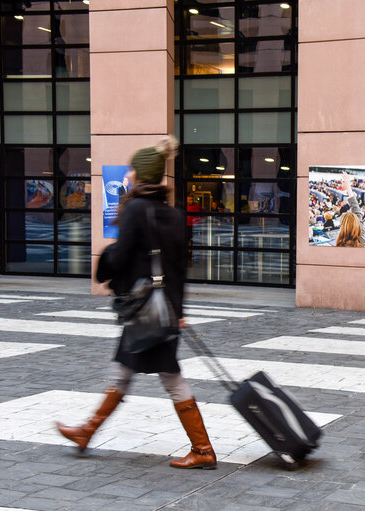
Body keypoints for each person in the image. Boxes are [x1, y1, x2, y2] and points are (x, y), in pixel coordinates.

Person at [55, 135, 217, 470]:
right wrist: (180, 312)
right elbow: (178, 268)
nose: (127, 173)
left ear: (142, 173)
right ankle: (87, 432)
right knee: (125, 371)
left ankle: (203, 450)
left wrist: (106, 267)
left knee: (169, 377)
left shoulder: (136, 209)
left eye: (132, 169)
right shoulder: (172, 213)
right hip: (164, 310)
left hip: (145, 310)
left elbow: (122, 256)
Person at [335, 172, 365, 248]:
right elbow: (357, 210)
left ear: (344, 228)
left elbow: (357, 211)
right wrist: (348, 187)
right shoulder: (362, 238)